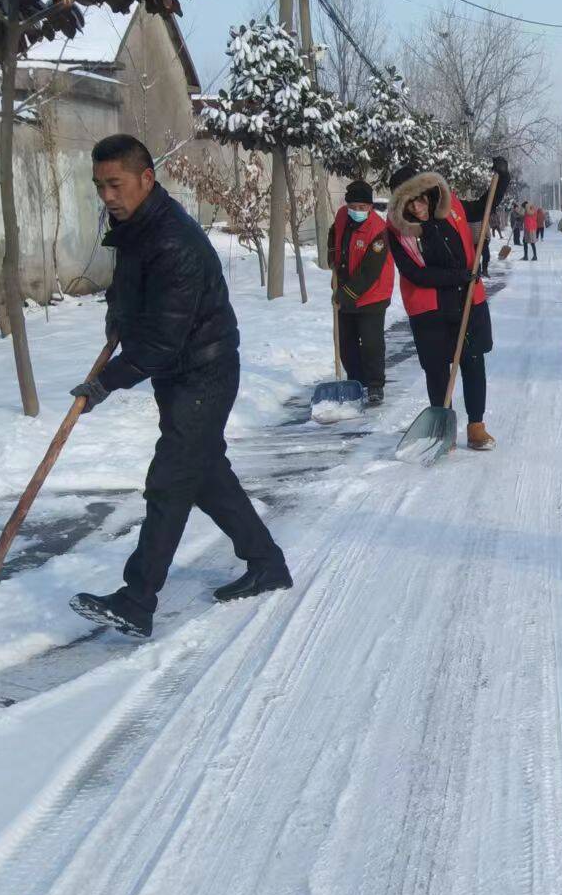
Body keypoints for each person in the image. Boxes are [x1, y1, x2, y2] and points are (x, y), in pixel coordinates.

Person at [68, 135, 289, 639]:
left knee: (169, 481)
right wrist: (117, 319)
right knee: (206, 473)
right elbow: (131, 292)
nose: (106, 196)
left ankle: (138, 598)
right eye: (100, 186)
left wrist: (106, 382)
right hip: (180, 371)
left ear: (147, 178)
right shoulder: (136, 227)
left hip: (202, 372)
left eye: (115, 184)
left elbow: (161, 343)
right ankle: (266, 563)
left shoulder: (173, 240)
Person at [387, 167, 497, 450]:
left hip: (466, 301)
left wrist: (502, 177)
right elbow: (414, 273)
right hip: (430, 309)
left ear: (427, 193)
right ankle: (443, 427)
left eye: (419, 199)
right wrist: (457, 277)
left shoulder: (452, 208)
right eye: (409, 204)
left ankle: (476, 426)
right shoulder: (399, 231)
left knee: (473, 362)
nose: (417, 207)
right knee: (436, 369)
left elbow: (485, 205)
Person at [327, 179, 393, 404]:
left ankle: (375, 385)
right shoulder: (341, 216)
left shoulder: (378, 230)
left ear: (371, 207)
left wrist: (344, 295)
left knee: (371, 341)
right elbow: (333, 233)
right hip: (345, 286)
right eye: (353, 207)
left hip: (374, 292)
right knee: (346, 342)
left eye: (363, 208)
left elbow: (369, 271)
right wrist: (332, 254)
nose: (357, 211)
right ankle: (356, 381)